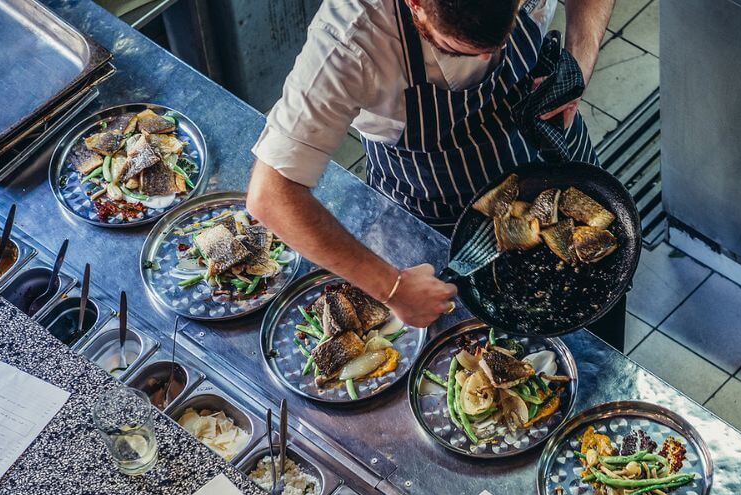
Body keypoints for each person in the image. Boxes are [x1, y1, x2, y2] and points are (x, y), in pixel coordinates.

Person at [247, 0, 623, 346]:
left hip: (554, 157)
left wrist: (578, 62)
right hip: (439, 217)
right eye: (461, 50)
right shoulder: (351, 37)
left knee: (601, 321)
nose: (489, 59)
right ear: (416, 6)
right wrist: (393, 289)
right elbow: (271, 194)